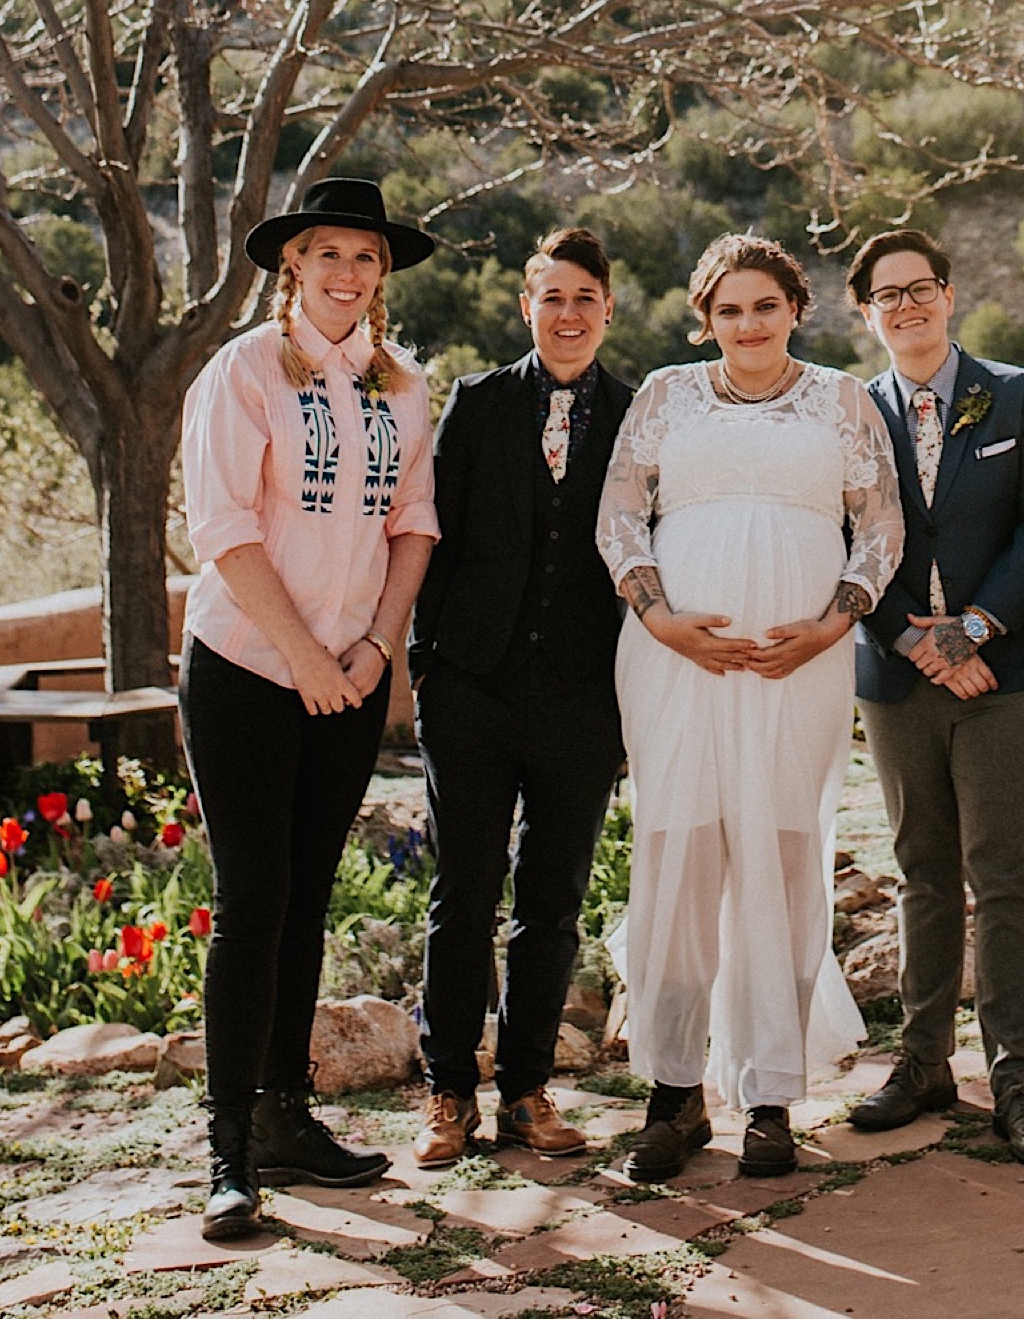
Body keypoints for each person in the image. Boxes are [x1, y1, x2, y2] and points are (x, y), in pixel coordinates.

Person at [597, 232, 904, 1185]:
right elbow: (619, 517)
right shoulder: (663, 395)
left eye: (764, 306)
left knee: (779, 849)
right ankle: (674, 1092)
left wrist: (830, 624)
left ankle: (770, 1092)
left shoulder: (844, 400)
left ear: (793, 310)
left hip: (798, 662)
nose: (747, 324)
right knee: (680, 851)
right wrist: (663, 619)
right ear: (706, 319)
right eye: (728, 309)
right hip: (675, 658)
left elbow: (882, 522)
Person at [181, 176, 438, 1244]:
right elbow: (224, 527)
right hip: (246, 664)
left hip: (350, 668)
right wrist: (303, 657)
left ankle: (290, 1114)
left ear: (381, 274)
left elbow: (413, 523)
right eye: (327, 252)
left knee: (307, 895)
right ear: (292, 263)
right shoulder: (242, 371)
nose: (345, 271)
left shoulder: (402, 384)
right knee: (252, 899)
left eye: (364, 256)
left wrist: (374, 647)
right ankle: (228, 1148)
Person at [848, 231, 1024, 1168]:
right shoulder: (847, 411)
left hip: (1011, 675)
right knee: (921, 871)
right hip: (898, 675)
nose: (904, 306)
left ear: (949, 294)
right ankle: (922, 1061)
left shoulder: (1017, 394)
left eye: (918, 288)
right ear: (865, 311)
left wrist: (974, 631)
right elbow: (842, 531)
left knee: (1008, 877)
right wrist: (913, 638)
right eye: (884, 295)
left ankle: (1018, 1080)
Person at [410, 225, 635, 1166]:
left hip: (584, 695)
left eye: (586, 297)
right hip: (472, 688)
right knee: (462, 894)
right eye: (554, 297)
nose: (570, 313)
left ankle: (528, 1090)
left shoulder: (641, 413)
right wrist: (431, 666)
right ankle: (447, 1091)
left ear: (609, 309)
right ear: (527, 307)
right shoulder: (476, 402)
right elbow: (434, 535)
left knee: (553, 900)